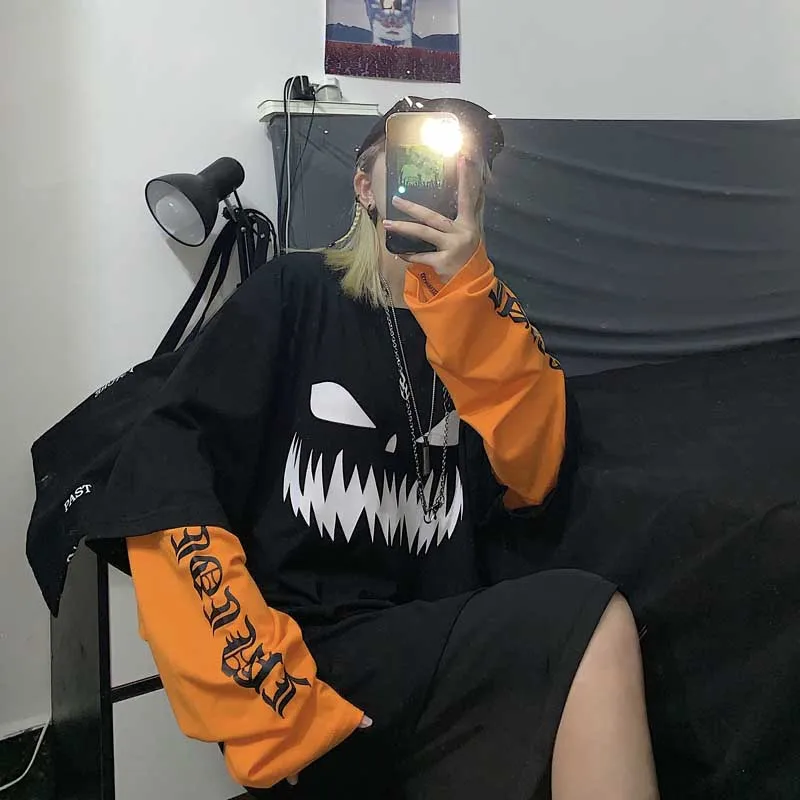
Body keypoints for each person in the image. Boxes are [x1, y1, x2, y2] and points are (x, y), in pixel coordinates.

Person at [104, 96, 659, 799]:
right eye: (418, 161)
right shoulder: (293, 291)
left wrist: (466, 296)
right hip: (306, 654)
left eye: (464, 168)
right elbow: (165, 480)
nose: (442, 180)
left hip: (435, 636)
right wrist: (267, 699)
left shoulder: (488, 318)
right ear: (366, 186)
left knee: (589, 626)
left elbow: (536, 476)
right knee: (592, 620)